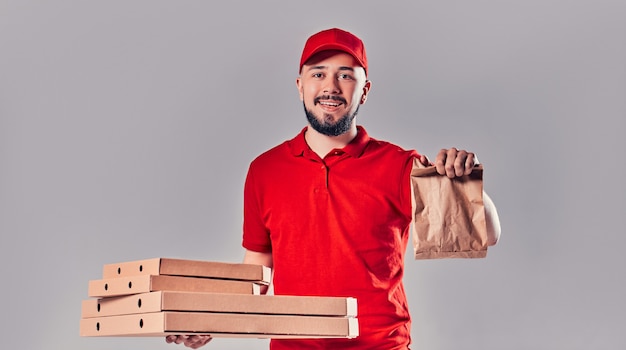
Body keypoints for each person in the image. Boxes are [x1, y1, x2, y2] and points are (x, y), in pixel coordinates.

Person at [166, 27, 501, 350]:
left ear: (364, 90)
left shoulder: (401, 165)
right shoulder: (264, 170)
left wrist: (462, 181)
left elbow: (486, 233)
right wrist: (214, 321)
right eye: (318, 74)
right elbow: (258, 264)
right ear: (300, 86)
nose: (330, 86)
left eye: (345, 74)